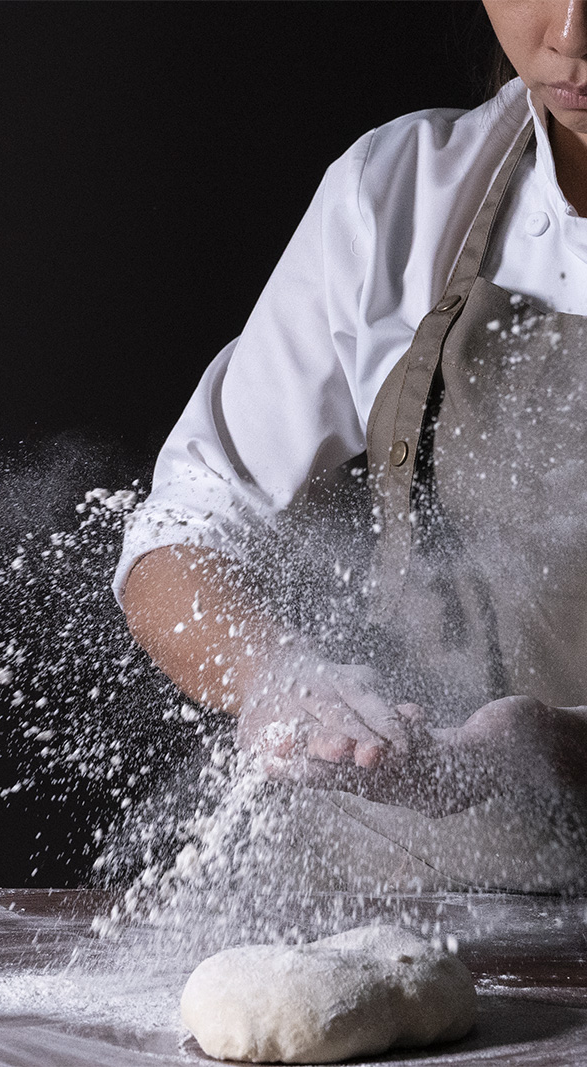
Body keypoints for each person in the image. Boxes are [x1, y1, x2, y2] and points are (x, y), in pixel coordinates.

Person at [115, 1, 587, 893]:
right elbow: (187, 525)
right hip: (407, 903)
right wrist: (273, 671)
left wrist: (556, 747)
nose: (571, 35)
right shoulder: (404, 195)